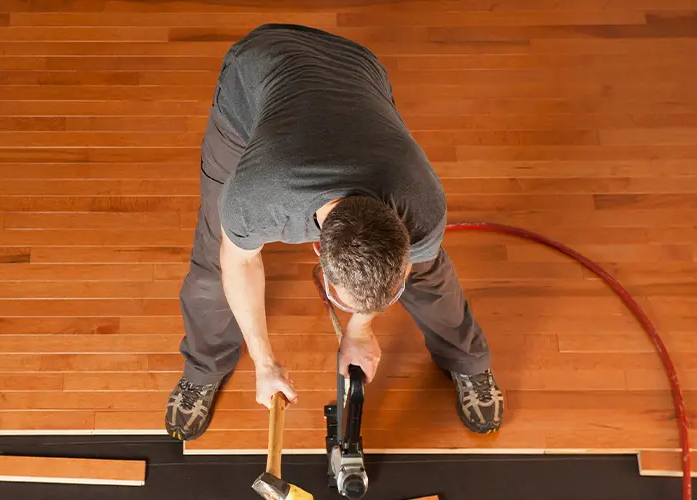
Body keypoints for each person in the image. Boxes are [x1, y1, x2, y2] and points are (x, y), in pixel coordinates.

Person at [164, 24, 504, 441]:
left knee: (431, 270)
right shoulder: (258, 197)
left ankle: (468, 361)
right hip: (257, 69)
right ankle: (203, 366)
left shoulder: (420, 201)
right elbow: (238, 261)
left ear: (401, 234)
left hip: (353, 66)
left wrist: (361, 331)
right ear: (316, 251)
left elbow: (407, 269)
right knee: (214, 260)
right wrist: (264, 363)